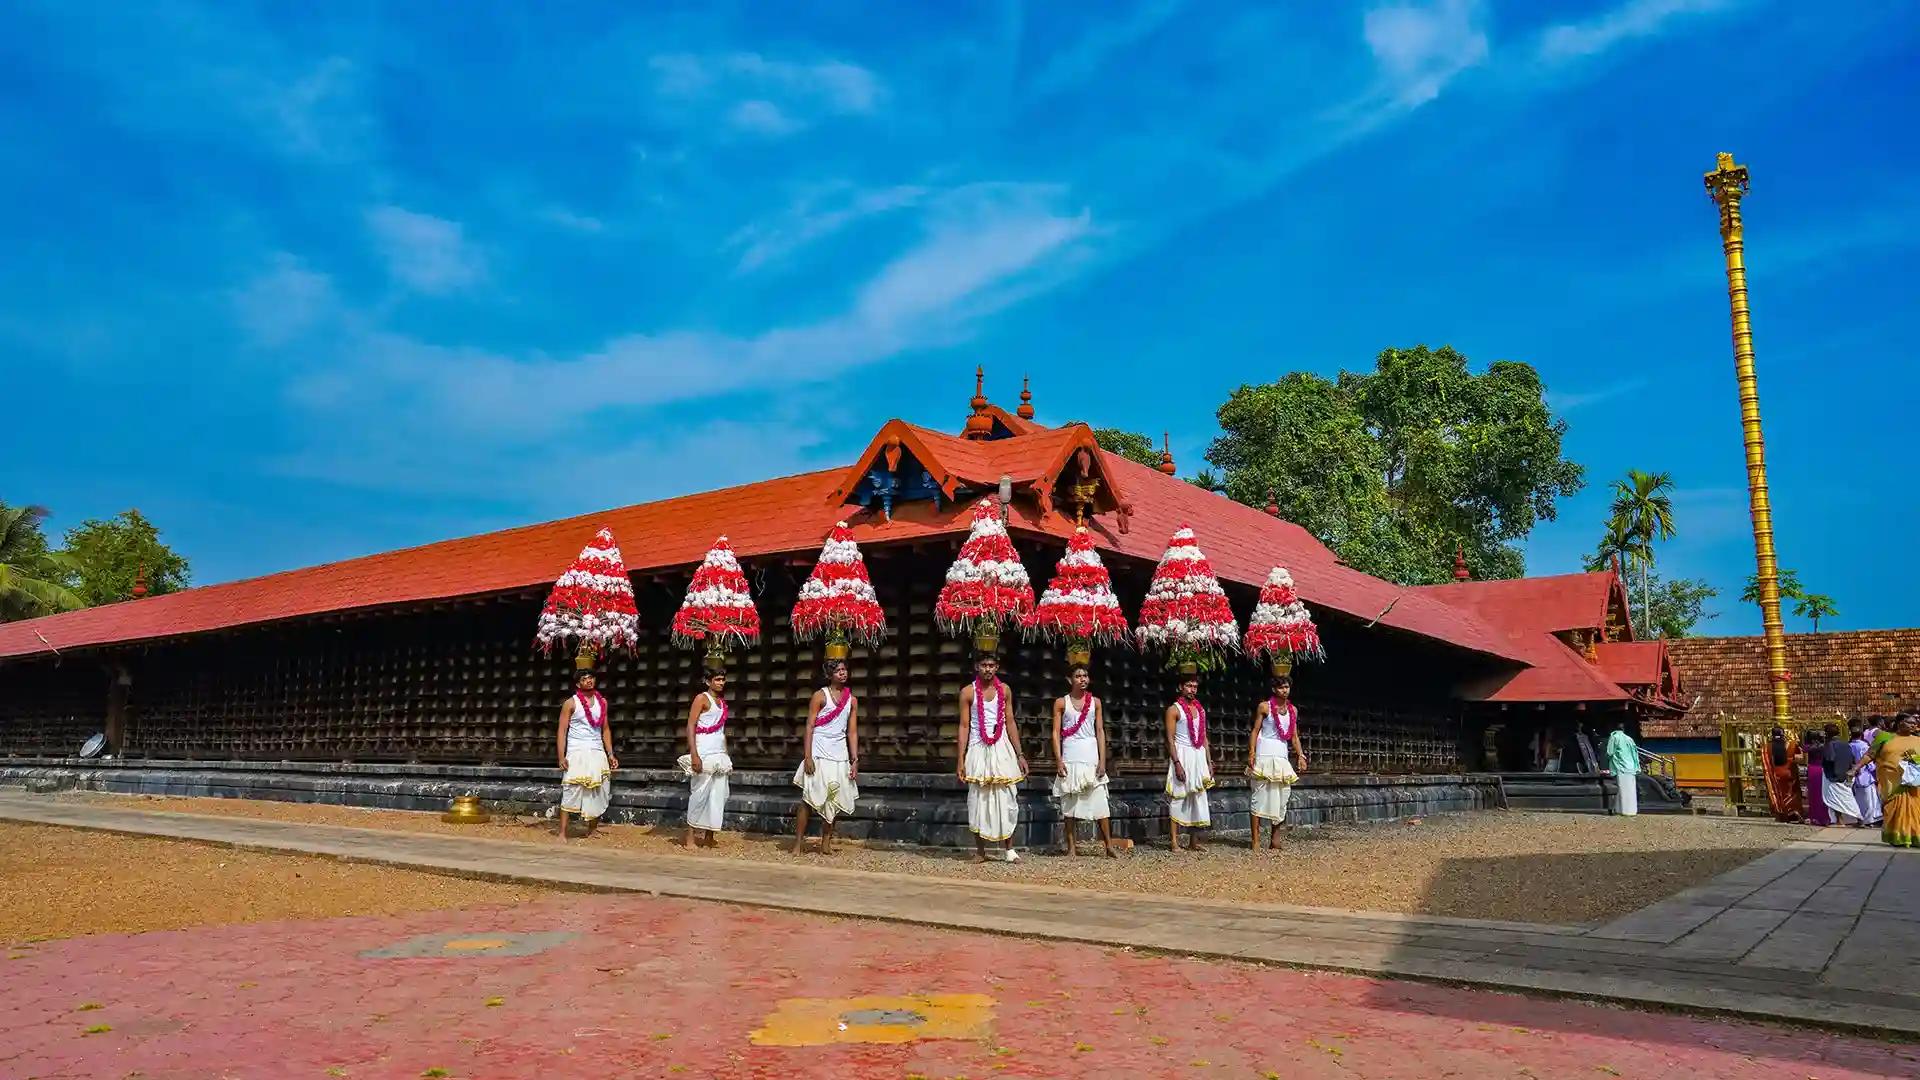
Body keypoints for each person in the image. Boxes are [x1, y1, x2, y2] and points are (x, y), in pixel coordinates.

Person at [956, 654, 1027, 863]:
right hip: (978, 746)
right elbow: (964, 726)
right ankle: (980, 851)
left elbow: (1011, 721)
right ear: (977, 667)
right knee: (978, 798)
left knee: (1007, 796)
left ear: (997, 667)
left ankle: (1009, 849)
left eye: (991, 665)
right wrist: (960, 758)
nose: (987, 669)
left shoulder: (1004, 690)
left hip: (1001, 745)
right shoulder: (967, 692)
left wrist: (1020, 754)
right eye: (984, 665)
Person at [793, 658, 860, 854]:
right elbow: (810, 726)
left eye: (844, 670)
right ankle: (798, 842)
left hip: (839, 752)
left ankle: (826, 842)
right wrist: (808, 756)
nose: (843, 673)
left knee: (834, 797)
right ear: (830, 675)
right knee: (808, 797)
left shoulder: (852, 700)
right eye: (838, 670)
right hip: (819, 750)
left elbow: (852, 731)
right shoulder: (819, 696)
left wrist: (854, 759)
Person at [1049, 664, 1115, 858]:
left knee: (1100, 801)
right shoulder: (1061, 703)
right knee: (1069, 801)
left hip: (1090, 751)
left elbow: (1100, 730)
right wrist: (1059, 760)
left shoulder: (1096, 702)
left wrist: (1102, 760)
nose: (1083, 679)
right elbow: (1055, 732)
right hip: (1070, 751)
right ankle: (1071, 847)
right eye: (1078, 676)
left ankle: (1108, 845)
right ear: (1070, 680)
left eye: (1085, 675)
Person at [555, 668, 618, 842]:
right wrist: (562, 757)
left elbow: (605, 729)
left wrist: (611, 754)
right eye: (584, 679)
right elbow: (562, 731)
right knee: (571, 788)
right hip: (577, 750)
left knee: (597, 788)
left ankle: (592, 829)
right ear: (578, 684)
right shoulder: (570, 703)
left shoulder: (602, 702)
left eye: (591, 677)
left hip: (597, 749)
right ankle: (562, 832)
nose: (589, 681)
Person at [1247, 673, 1307, 851]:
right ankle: (1256, 840)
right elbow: (1255, 731)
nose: (1284, 690)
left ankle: (1275, 839)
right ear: (1274, 689)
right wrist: (1252, 753)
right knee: (1259, 796)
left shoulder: (1293, 710)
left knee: (1282, 798)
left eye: (1287, 687)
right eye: (1281, 687)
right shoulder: (1264, 707)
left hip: (1281, 755)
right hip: (1264, 753)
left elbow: (1294, 736)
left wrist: (1301, 756)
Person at [677, 667, 732, 848]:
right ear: (708, 682)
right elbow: (690, 726)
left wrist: (725, 753)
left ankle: (710, 835)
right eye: (717, 680)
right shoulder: (701, 699)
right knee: (699, 793)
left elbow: (721, 731)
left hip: (718, 751)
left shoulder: (722, 703)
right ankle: (690, 838)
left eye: (723, 680)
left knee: (719, 794)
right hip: (703, 749)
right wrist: (694, 755)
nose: (721, 683)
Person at [1853, 713, 1920, 848]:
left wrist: (1914, 759)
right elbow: (1870, 755)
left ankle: (1915, 836)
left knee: (1915, 810)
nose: (1914, 725)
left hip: (1914, 783)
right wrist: (1856, 767)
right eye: (1910, 722)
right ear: (1900, 723)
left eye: (1915, 723)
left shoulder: (1918, 740)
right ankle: (1898, 837)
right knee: (1894, 809)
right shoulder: (1885, 737)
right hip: (1892, 782)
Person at [1165, 673, 1214, 851]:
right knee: (1178, 796)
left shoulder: (1201, 710)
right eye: (1188, 686)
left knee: (1197, 796)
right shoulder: (1174, 709)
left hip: (1198, 754)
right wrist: (1177, 762)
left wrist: (1208, 761)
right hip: (1183, 753)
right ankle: (1174, 842)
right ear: (1181, 687)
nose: (1192, 690)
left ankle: (1193, 842)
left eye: (1194, 686)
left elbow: (1204, 737)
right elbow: (1170, 739)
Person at [1820, 721, 1865, 826]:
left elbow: (1829, 758)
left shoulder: (1830, 745)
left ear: (1827, 734)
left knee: (1835, 799)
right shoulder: (1846, 744)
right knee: (1848, 798)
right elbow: (1852, 758)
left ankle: (1840, 820)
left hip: (1832, 775)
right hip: (1845, 774)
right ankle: (1859, 819)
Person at [1761, 726, 1804, 823]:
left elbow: (1766, 762)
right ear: (1783, 734)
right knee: (1791, 793)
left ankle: (1780, 814)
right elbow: (1800, 758)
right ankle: (1793, 812)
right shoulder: (1792, 745)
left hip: (1775, 775)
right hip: (1789, 773)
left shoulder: (1767, 747)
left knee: (1777, 794)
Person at [1603, 719, 1640, 817]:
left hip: (1621, 766)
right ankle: (1632, 810)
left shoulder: (1614, 737)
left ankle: (1622, 810)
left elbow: (1610, 752)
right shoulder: (1629, 739)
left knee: (1622, 789)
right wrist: (1637, 767)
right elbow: (1635, 754)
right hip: (1631, 767)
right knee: (1631, 790)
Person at [1847, 723, 1882, 826]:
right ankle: (1869, 819)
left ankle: (1860, 819)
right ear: (1861, 735)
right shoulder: (1864, 746)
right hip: (1865, 774)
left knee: (1858, 798)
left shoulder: (1849, 745)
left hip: (1854, 773)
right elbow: (1869, 762)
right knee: (1869, 799)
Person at [1802, 730, 1831, 827]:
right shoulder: (1825, 747)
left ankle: (1814, 816)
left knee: (1813, 794)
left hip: (1812, 769)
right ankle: (1824, 816)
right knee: (1822, 793)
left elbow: (1805, 761)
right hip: (1821, 769)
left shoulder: (1808, 748)